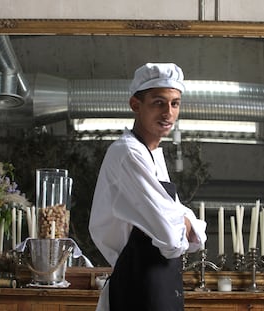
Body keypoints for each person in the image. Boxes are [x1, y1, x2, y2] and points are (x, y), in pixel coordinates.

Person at [89, 63, 207, 311]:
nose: (168, 113)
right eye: (158, 102)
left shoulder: (150, 153)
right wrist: (183, 222)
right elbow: (170, 236)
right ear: (135, 105)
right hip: (140, 289)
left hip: (161, 286)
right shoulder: (128, 154)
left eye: (175, 103)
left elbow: (180, 224)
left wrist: (182, 221)